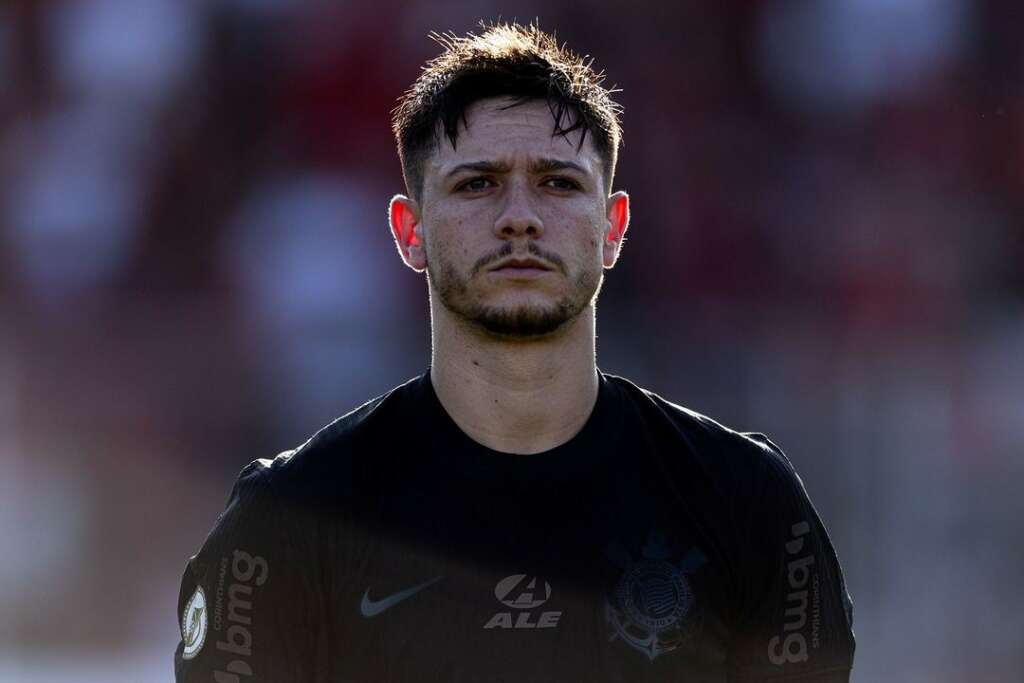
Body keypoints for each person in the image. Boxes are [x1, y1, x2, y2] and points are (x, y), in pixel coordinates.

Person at [174, 22, 855, 682]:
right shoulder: (288, 524)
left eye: (559, 182)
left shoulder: (747, 503)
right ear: (409, 230)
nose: (519, 216)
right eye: (477, 184)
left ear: (612, 227)